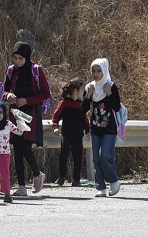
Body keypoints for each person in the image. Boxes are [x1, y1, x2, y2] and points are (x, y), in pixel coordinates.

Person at [3, 41, 50, 196]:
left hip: (30, 114)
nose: (17, 61)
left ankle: (37, 174)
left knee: (25, 147)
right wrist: (8, 95)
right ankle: (22, 186)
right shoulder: (11, 71)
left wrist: (27, 101)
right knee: (16, 147)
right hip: (15, 114)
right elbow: (4, 90)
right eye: (15, 58)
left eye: (20, 58)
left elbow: (45, 93)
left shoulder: (36, 70)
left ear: (27, 58)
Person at [82, 58, 121, 197]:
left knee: (104, 155)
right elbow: (83, 109)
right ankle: (101, 187)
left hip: (109, 127)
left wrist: (109, 93)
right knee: (96, 158)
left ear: (104, 71)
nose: (95, 74)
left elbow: (116, 107)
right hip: (95, 127)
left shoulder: (111, 85)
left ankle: (114, 181)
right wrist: (88, 96)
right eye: (93, 71)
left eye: (99, 71)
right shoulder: (90, 87)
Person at [52, 77, 90, 186]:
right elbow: (56, 116)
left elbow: (84, 119)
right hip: (66, 133)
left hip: (78, 134)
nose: (84, 93)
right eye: (82, 90)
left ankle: (76, 179)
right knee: (64, 154)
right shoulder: (64, 103)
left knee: (78, 156)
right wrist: (55, 126)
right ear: (76, 91)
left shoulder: (81, 105)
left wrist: (88, 131)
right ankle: (61, 177)